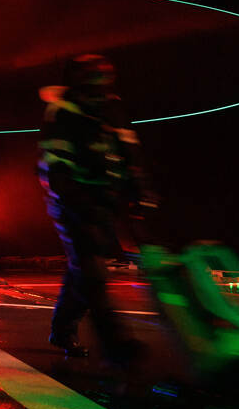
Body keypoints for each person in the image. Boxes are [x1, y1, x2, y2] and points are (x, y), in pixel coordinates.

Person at [37, 53, 154, 368]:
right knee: (92, 271)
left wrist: (140, 189)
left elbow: (129, 151)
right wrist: (77, 201)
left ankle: (62, 330)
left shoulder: (111, 107)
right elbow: (56, 167)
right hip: (70, 200)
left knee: (83, 268)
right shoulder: (62, 111)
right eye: (94, 78)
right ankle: (116, 346)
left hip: (104, 199)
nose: (101, 84)